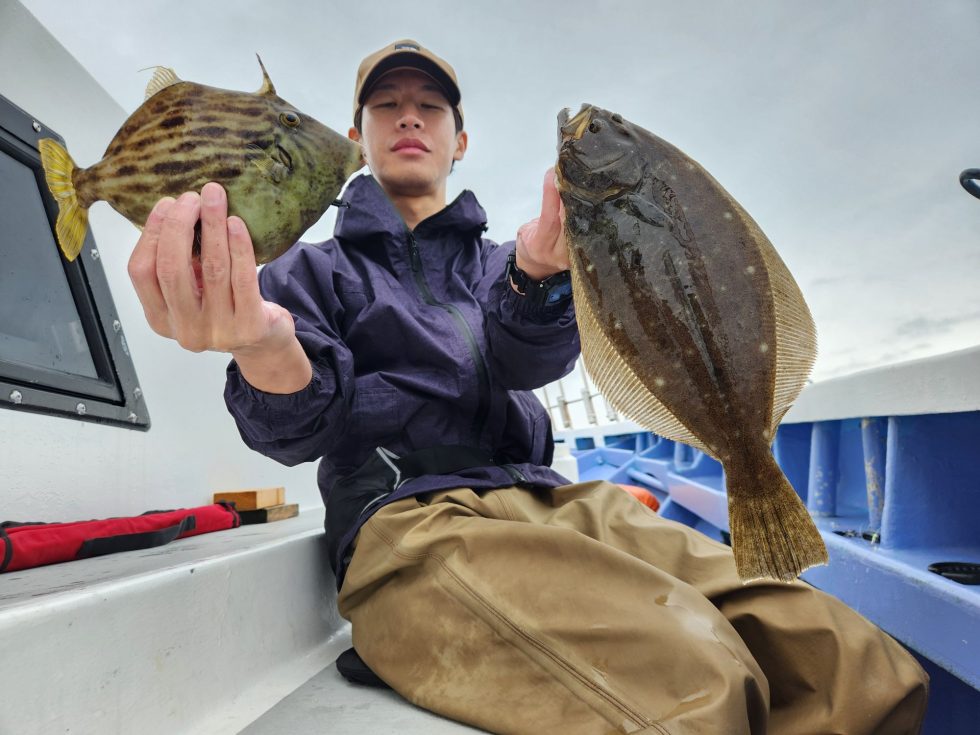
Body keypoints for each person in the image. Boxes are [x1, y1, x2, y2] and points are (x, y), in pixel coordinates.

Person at [128, 39, 929, 735]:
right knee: (696, 679)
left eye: (430, 106)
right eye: (388, 105)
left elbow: (522, 360)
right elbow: (300, 425)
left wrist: (539, 276)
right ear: (357, 135)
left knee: (854, 660)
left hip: (559, 501)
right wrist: (265, 348)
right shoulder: (308, 269)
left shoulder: (504, 258)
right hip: (413, 522)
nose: (410, 118)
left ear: (459, 138)